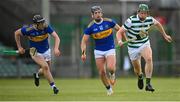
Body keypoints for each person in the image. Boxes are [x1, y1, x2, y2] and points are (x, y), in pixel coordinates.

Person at [116, 4, 172, 92]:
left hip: (144, 43)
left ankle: (148, 84)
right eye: (141, 13)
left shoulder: (150, 19)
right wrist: (119, 41)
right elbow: (119, 32)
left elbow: (158, 24)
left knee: (149, 59)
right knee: (137, 69)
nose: (143, 15)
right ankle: (140, 76)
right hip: (132, 47)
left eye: (145, 13)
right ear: (138, 12)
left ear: (147, 13)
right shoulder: (131, 20)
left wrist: (165, 35)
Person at [81, 6, 125, 96]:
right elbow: (83, 41)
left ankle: (112, 74)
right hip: (98, 51)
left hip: (110, 48)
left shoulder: (109, 22)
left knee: (111, 68)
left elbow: (120, 30)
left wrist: (123, 40)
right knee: (101, 72)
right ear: (92, 15)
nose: (98, 14)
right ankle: (108, 89)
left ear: (102, 13)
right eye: (95, 13)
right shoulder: (90, 27)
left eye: (99, 12)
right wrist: (83, 53)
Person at [14, 15, 61, 94]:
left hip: (46, 50)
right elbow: (16, 33)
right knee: (45, 67)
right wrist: (19, 47)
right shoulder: (29, 29)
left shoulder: (46, 27)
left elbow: (57, 37)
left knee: (45, 69)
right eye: (41, 23)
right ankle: (54, 87)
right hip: (34, 51)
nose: (43, 24)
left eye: (43, 22)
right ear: (36, 24)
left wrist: (56, 48)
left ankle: (36, 74)